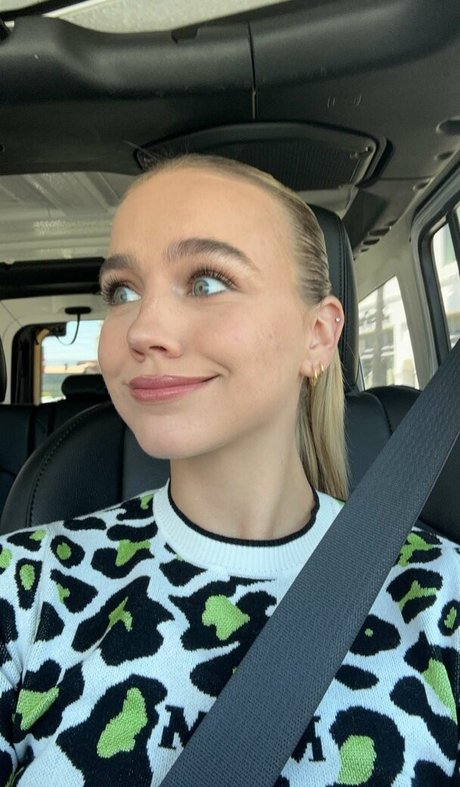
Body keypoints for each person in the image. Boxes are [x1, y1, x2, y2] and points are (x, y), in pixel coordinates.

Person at [0, 155, 458, 786]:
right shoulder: (24, 582)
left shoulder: (439, 592)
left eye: (208, 282)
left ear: (318, 335)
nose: (143, 329)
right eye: (122, 291)